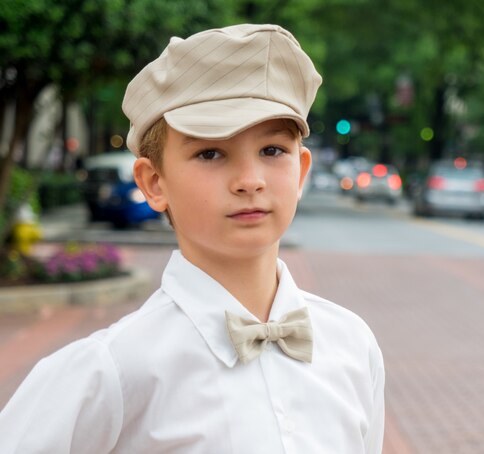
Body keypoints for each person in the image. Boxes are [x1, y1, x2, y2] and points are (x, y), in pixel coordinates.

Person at [0, 24, 385, 453]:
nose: (249, 180)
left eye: (273, 150)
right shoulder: (110, 372)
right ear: (154, 182)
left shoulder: (352, 345)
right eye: (210, 153)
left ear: (302, 170)